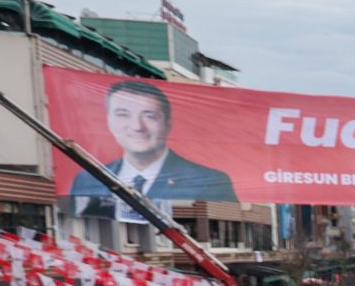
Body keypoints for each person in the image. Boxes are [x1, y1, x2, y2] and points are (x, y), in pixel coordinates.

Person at [71, 79, 237, 216]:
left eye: (149, 116)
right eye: (123, 115)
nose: (137, 126)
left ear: (168, 124)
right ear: (108, 120)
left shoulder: (210, 181)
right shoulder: (87, 179)